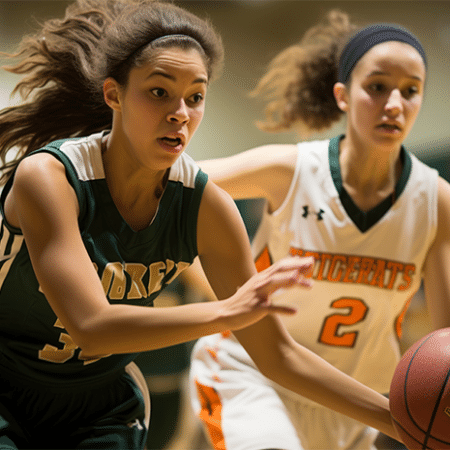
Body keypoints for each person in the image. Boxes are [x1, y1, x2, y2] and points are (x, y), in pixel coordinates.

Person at [0, 2, 403, 449]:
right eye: (158, 93)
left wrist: (401, 423)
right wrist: (227, 311)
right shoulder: (50, 177)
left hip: (97, 407)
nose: (180, 113)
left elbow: (278, 355)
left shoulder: (206, 206)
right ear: (113, 94)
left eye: (195, 96)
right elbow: (91, 326)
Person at [188, 10, 450, 450]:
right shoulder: (288, 170)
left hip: (354, 399)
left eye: (411, 91)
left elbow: (444, 338)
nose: (394, 104)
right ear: (343, 95)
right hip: (252, 374)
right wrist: (224, 290)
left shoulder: (436, 201)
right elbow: (164, 184)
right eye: (377, 87)